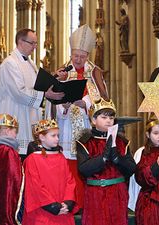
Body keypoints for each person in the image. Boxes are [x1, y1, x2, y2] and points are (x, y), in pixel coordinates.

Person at [52, 24, 102, 209]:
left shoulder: (94, 72)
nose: (79, 59)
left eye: (82, 56)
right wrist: (62, 106)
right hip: (66, 127)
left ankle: (85, 203)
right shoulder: (63, 71)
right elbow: (52, 98)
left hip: (86, 125)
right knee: (68, 167)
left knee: (85, 163)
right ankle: (69, 203)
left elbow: (103, 100)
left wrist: (87, 103)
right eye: (76, 56)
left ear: (88, 56)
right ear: (71, 54)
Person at [0, 28, 65, 155]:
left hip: (29, 115)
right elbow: (19, 92)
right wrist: (45, 95)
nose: (35, 47)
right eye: (32, 43)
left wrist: (54, 77)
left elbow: (37, 85)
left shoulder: (30, 63)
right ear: (20, 42)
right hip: (17, 114)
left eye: (36, 43)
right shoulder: (9, 64)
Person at [76, 98, 136, 225]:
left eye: (111, 118)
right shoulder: (85, 142)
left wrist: (117, 159)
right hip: (95, 193)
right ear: (93, 120)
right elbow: (83, 169)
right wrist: (103, 158)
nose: (109, 121)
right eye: (104, 117)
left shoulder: (122, 141)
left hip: (117, 193)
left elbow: (131, 168)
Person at [22, 119, 77, 225]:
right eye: (53, 135)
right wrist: (51, 206)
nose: (57, 139)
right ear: (42, 137)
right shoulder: (32, 159)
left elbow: (70, 181)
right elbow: (35, 186)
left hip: (63, 209)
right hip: (42, 211)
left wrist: (68, 202)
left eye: (58, 135)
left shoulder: (61, 157)